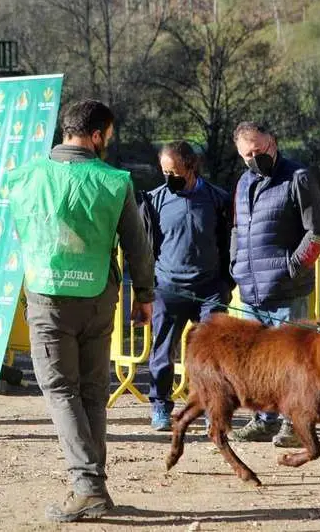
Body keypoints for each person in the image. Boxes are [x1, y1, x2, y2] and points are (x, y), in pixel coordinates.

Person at [8, 99, 154, 522]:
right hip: (97, 298)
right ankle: (94, 485)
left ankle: (87, 487)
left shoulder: (25, 177)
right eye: (107, 135)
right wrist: (144, 295)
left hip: (47, 296)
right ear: (95, 135)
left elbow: (24, 231)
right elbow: (137, 246)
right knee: (91, 392)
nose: (107, 142)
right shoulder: (114, 181)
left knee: (60, 392)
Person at [227, 121, 320, 447]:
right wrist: (236, 265)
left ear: (273, 141)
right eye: (248, 154)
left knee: (292, 363)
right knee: (257, 363)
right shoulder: (244, 183)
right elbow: (237, 229)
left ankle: (296, 425)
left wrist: (292, 268)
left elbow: (317, 233)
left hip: (287, 289)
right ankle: (264, 420)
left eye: (259, 150)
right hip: (251, 290)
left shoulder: (298, 177)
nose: (255, 158)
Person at [138, 141, 233, 431]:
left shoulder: (218, 199)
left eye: (175, 171)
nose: (169, 178)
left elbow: (228, 244)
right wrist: (149, 285)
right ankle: (160, 407)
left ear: (192, 167)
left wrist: (225, 282)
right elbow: (145, 247)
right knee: (162, 351)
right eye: (165, 172)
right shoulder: (154, 201)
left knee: (212, 353)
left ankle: (211, 407)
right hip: (169, 287)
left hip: (209, 289)